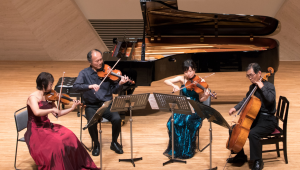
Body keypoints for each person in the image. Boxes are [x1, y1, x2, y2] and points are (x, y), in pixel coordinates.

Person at [25, 72, 99, 170]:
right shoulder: (33, 97)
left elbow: (58, 113)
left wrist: (72, 108)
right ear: (43, 85)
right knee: (58, 143)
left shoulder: (49, 96)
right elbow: (37, 112)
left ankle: (74, 165)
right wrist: (51, 109)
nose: (52, 86)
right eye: (50, 84)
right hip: (36, 130)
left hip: (47, 126)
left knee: (70, 136)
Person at [73, 49, 129, 156]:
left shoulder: (107, 72)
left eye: (101, 60)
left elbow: (114, 90)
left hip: (107, 104)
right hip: (91, 105)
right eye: (96, 61)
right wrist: (89, 86)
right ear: (90, 62)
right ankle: (96, 144)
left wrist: (120, 83)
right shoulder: (84, 73)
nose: (100, 63)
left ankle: (114, 142)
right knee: (91, 122)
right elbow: (76, 87)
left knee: (117, 119)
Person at [227, 63, 277, 170]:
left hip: (268, 120)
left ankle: (258, 160)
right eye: (248, 76)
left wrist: (262, 87)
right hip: (256, 118)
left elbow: (270, 99)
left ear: (259, 73)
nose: (250, 78)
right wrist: (235, 108)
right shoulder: (252, 87)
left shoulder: (269, 86)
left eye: (251, 75)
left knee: (253, 133)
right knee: (234, 129)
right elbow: (247, 99)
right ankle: (240, 156)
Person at [163, 59, 210, 159]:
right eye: (186, 71)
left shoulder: (201, 81)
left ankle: (186, 150)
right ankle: (176, 149)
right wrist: (173, 85)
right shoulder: (182, 79)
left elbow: (201, 99)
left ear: (194, 70)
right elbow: (166, 80)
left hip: (195, 107)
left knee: (187, 121)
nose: (188, 73)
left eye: (190, 70)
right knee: (171, 122)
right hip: (183, 106)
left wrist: (206, 96)